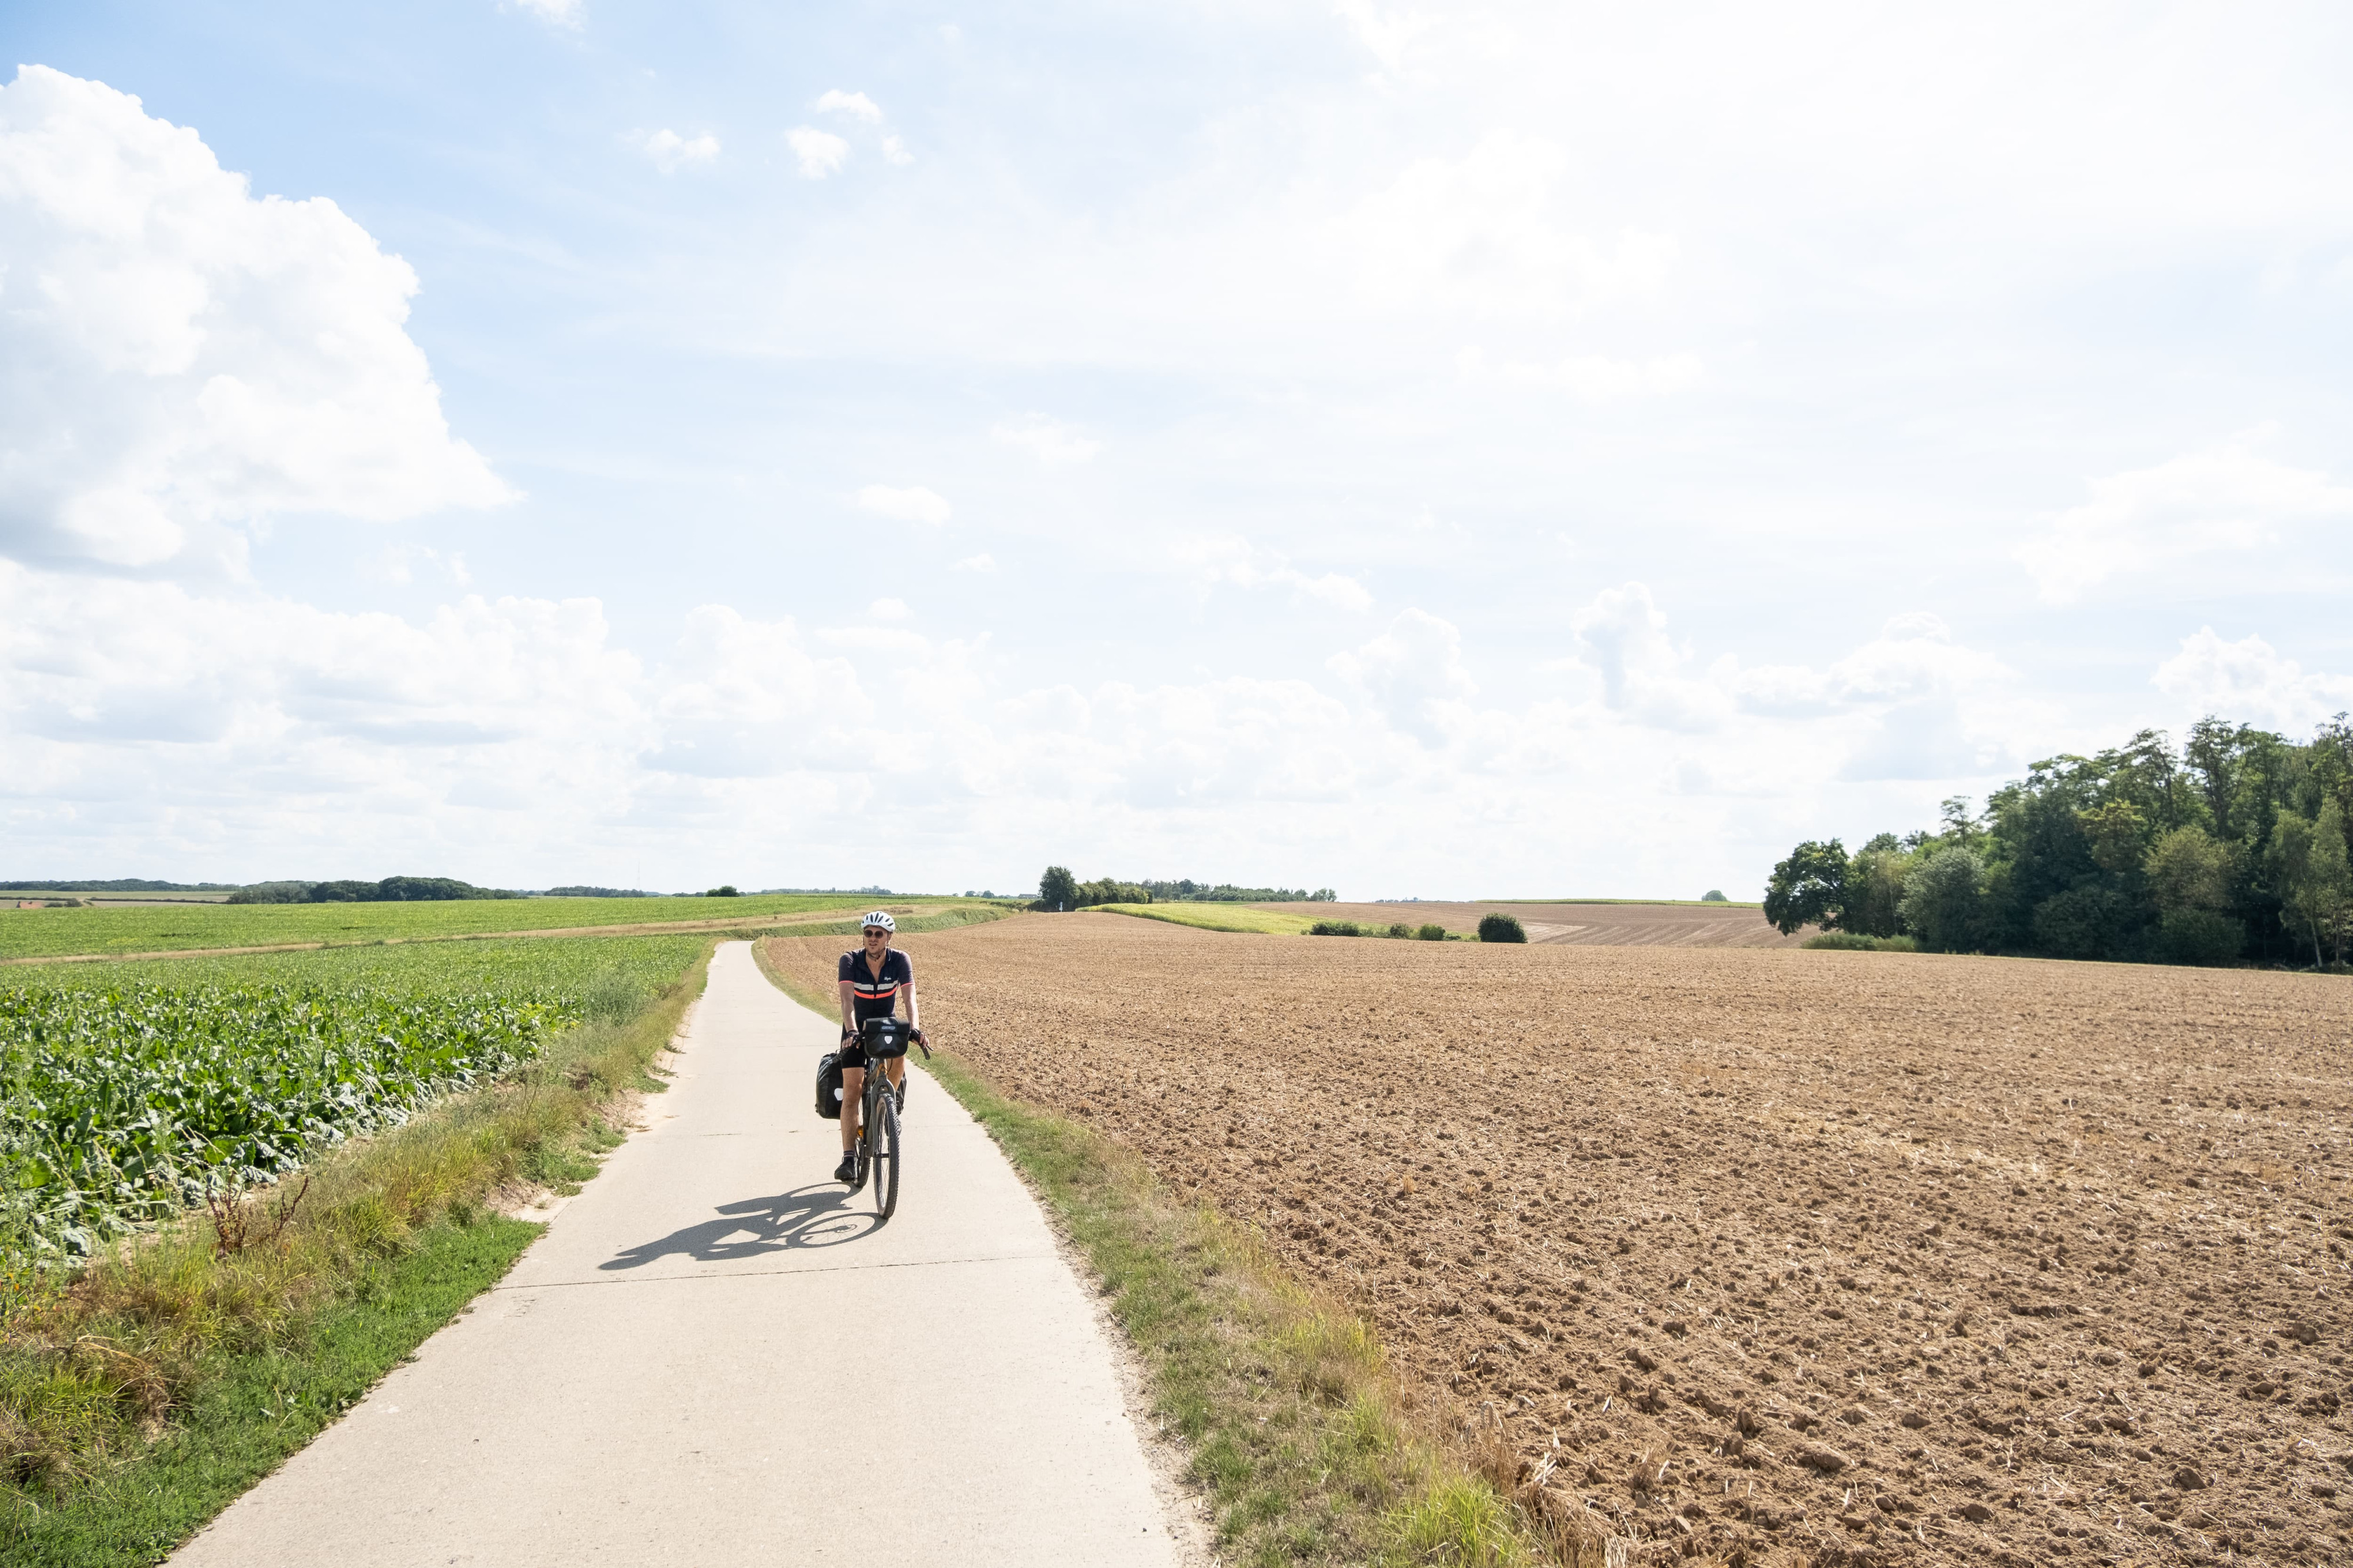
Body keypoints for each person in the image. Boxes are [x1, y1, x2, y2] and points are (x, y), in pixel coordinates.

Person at [834, 911, 924, 1183]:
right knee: (853, 1091)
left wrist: (915, 1028)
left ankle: (887, 1106)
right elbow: (847, 1001)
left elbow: (910, 998)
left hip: (885, 1025)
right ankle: (849, 1157)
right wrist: (851, 1030)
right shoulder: (850, 961)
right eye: (868, 933)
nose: (872, 939)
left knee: (900, 1057)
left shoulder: (900, 960)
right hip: (856, 1028)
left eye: (878, 934)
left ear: (889, 937)